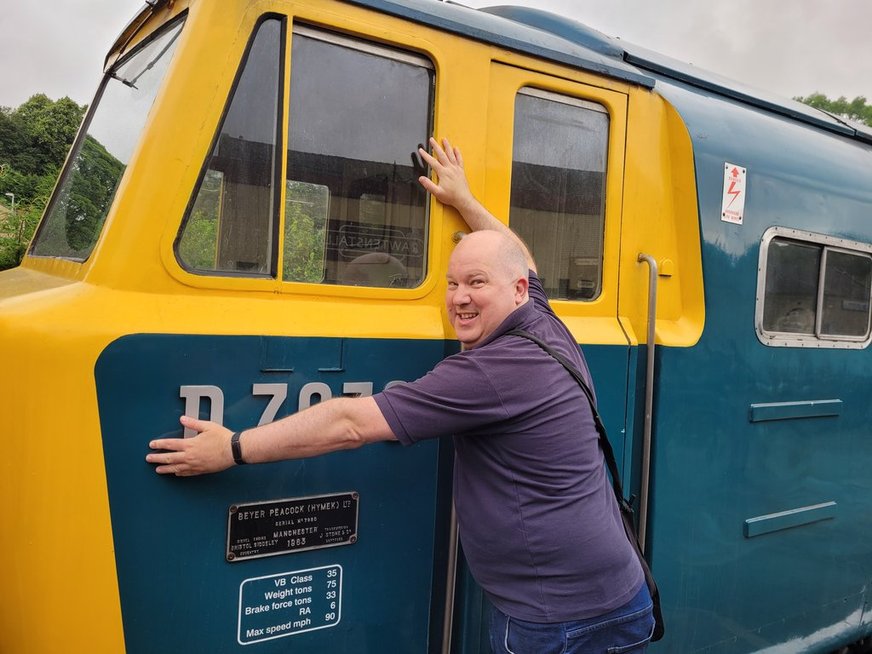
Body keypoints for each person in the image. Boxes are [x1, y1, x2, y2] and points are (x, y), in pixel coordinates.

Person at [146, 137, 654, 653]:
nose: (459, 298)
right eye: (453, 284)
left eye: (476, 282)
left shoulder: (497, 368)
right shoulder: (539, 321)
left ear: (516, 291)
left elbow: (349, 423)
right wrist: (464, 199)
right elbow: (519, 256)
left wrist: (231, 448)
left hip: (565, 621)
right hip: (601, 596)